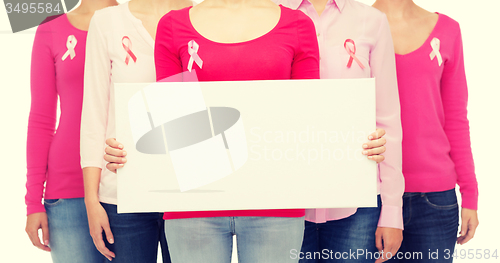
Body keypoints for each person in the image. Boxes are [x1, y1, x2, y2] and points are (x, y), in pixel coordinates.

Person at [104, 0, 389, 262]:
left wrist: (357, 142)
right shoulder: (173, 25)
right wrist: (132, 151)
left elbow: (306, 121)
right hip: (192, 204)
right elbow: (170, 121)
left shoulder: (297, 26)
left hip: (276, 203)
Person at [271, 0, 404, 262]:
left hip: (357, 204)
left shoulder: (372, 21)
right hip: (287, 201)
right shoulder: (268, 17)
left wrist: (392, 209)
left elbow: (387, 119)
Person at [80, 0, 193, 261]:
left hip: (187, 193)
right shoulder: (106, 21)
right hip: (122, 194)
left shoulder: (200, 18)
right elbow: (94, 115)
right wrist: (91, 199)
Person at [372, 1, 479, 262]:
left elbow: (455, 119)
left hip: (435, 199)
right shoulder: (358, 26)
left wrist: (470, 194)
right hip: (372, 196)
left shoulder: (447, 30)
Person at [24, 1, 118, 262]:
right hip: (68, 191)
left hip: (124, 183)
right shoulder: (51, 29)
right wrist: (33, 200)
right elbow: (41, 119)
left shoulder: (134, 24)